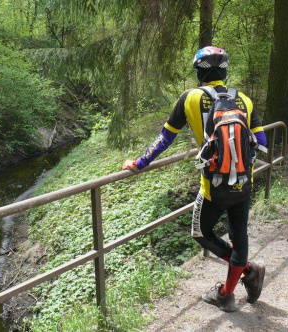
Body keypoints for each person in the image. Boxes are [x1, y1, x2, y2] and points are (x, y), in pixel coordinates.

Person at [122, 46, 267, 312]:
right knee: (240, 236)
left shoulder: (190, 98)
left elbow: (165, 138)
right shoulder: (244, 99)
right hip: (244, 182)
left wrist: (140, 163)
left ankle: (246, 272)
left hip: (213, 185)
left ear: (198, 71)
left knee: (201, 232)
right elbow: (262, 143)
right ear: (224, 71)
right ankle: (228, 291)